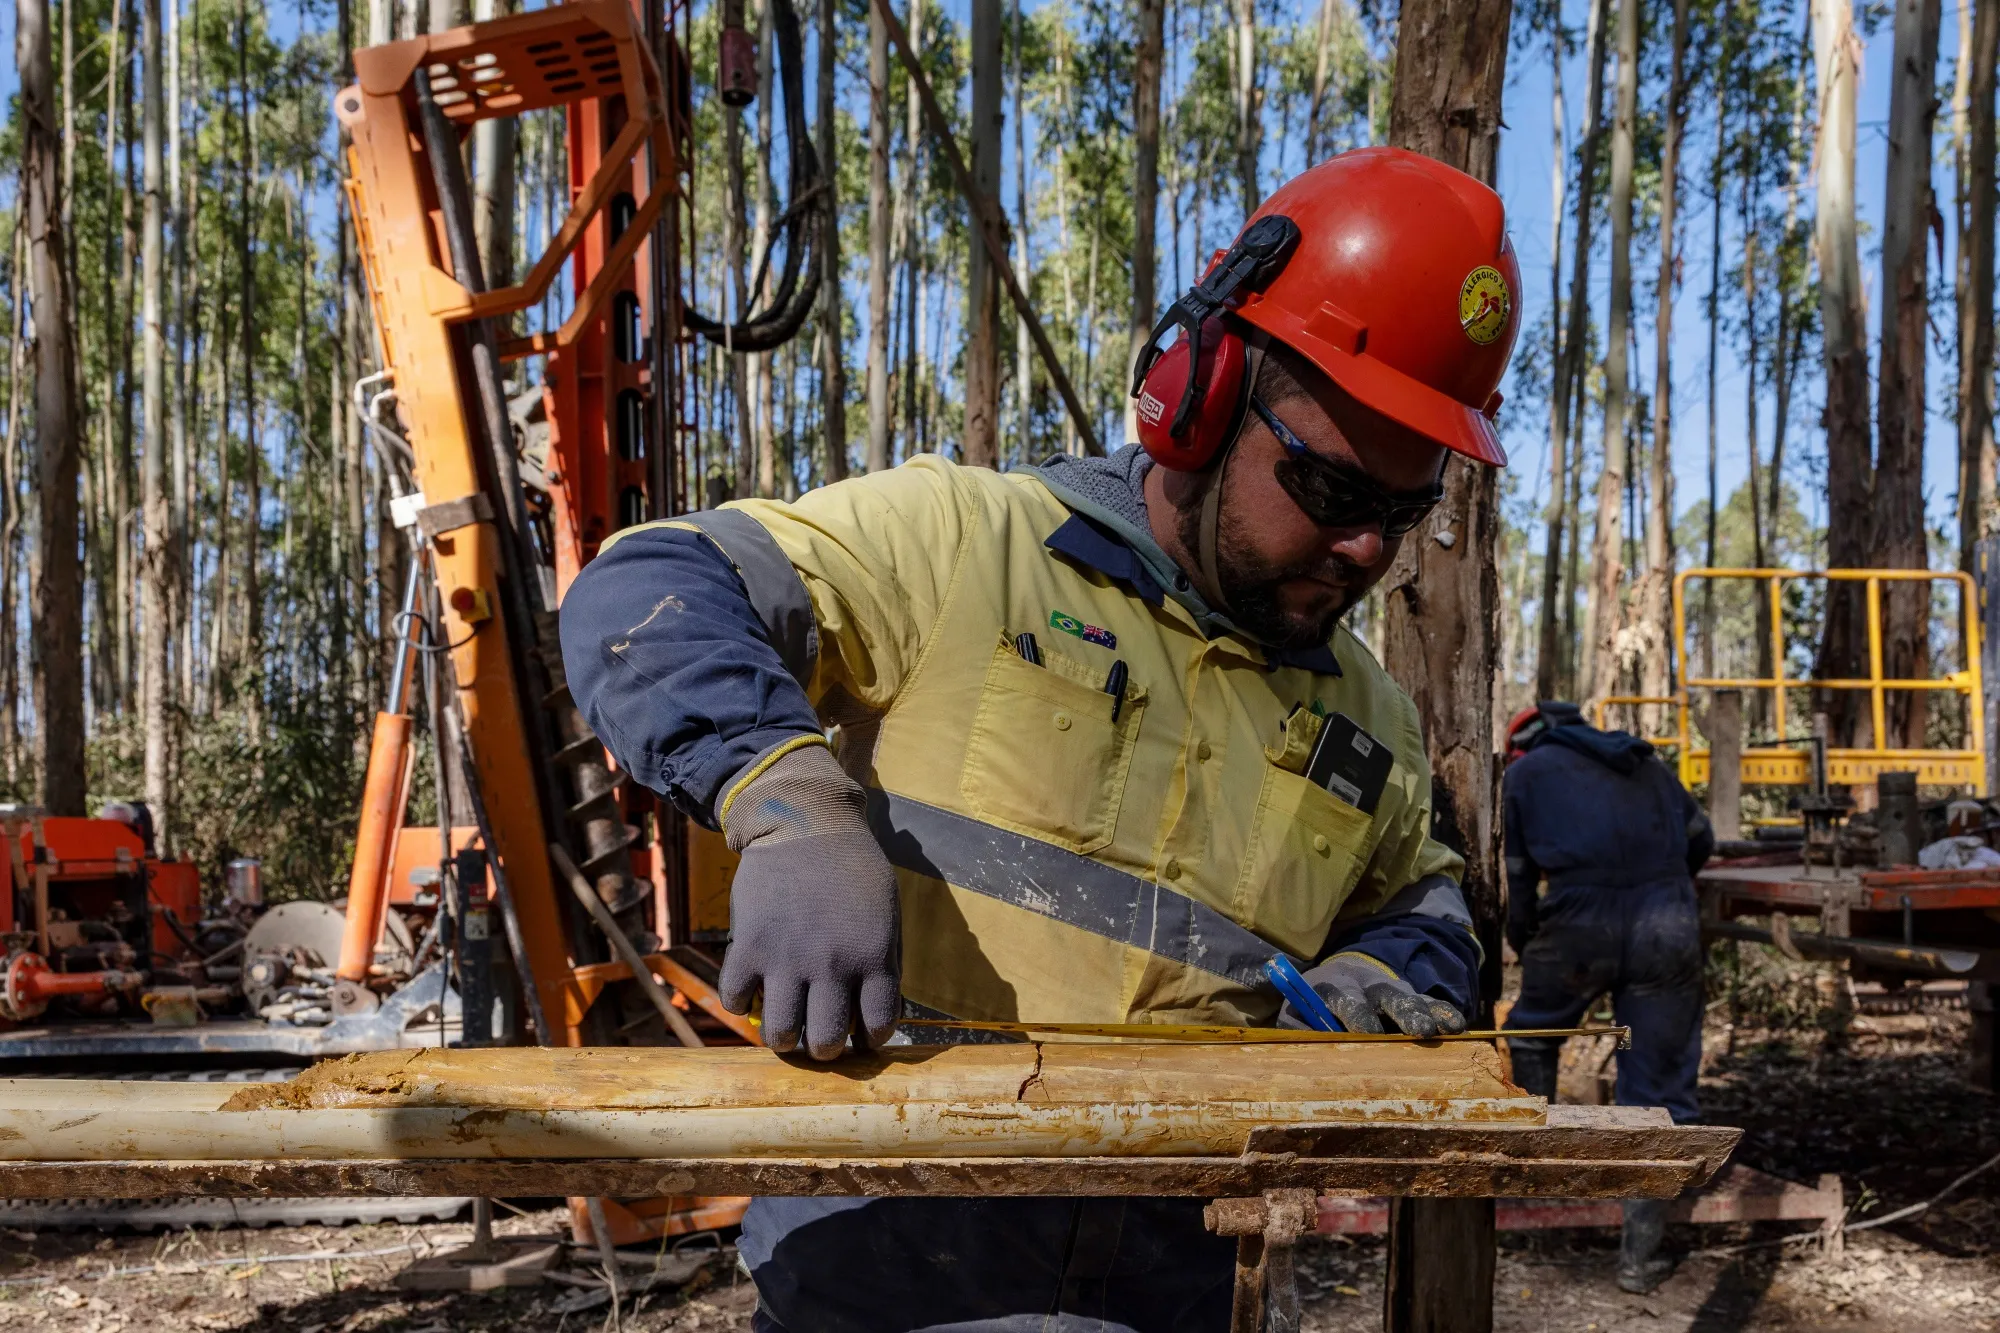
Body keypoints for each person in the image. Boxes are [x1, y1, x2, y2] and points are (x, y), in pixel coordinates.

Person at [562, 146, 1521, 1333]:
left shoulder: (1363, 717)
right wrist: (784, 797)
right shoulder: (969, 547)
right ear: (1200, 395)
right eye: (1330, 493)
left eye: (1402, 514)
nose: (1367, 551)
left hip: (1179, 1277)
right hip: (885, 1257)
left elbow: (1423, 904)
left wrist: (1380, 977)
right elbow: (651, 585)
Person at [1500, 700, 1714, 1296]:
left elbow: (1518, 877)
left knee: (1533, 1031)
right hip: (1666, 925)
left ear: (1525, 743)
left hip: (1577, 924)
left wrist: (1526, 937)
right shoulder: (1646, 763)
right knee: (1659, 1088)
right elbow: (1703, 838)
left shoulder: (1524, 775)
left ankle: (1537, 1187)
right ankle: (1639, 1261)